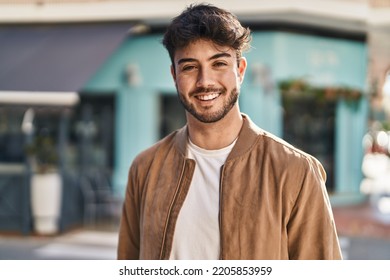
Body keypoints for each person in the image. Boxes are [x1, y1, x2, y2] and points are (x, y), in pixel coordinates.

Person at [117, 3, 342, 260]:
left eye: (219, 64)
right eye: (189, 67)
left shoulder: (296, 172)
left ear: (241, 70)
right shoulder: (145, 168)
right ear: (174, 75)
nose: (205, 81)